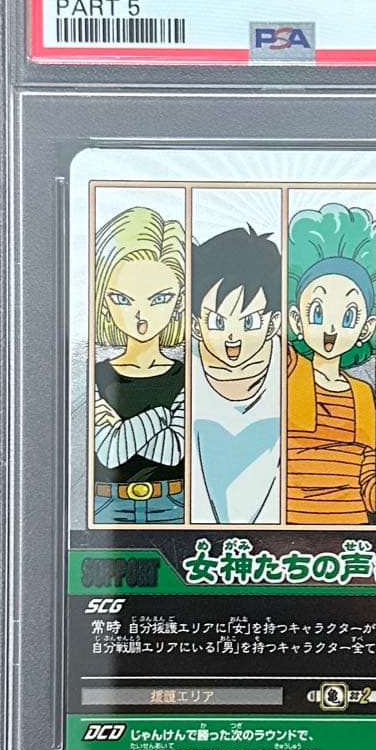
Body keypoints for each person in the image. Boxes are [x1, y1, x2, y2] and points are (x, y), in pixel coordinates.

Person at [92, 205, 185, 524]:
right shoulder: (95, 375)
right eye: (123, 299)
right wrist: (161, 416)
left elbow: (173, 451)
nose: (141, 315)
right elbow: (108, 453)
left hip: (174, 503)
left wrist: (122, 426)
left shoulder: (187, 377)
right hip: (106, 503)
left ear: (180, 302)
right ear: (103, 301)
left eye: (159, 299)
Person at [286, 202, 376, 525]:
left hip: (351, 525)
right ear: (295, 320)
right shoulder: (290, 370)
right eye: (318, 312)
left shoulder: (363, 394)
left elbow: (368, 465)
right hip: (288, 525)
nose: (331, 328)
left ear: (366, 329)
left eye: (348, 316)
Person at [190, 226, 282, 523]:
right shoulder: (182, 375)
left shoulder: (294, 371)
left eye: (249, 322)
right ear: (195, 325)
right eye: (217, 322)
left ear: (273, 323)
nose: (233, 337)